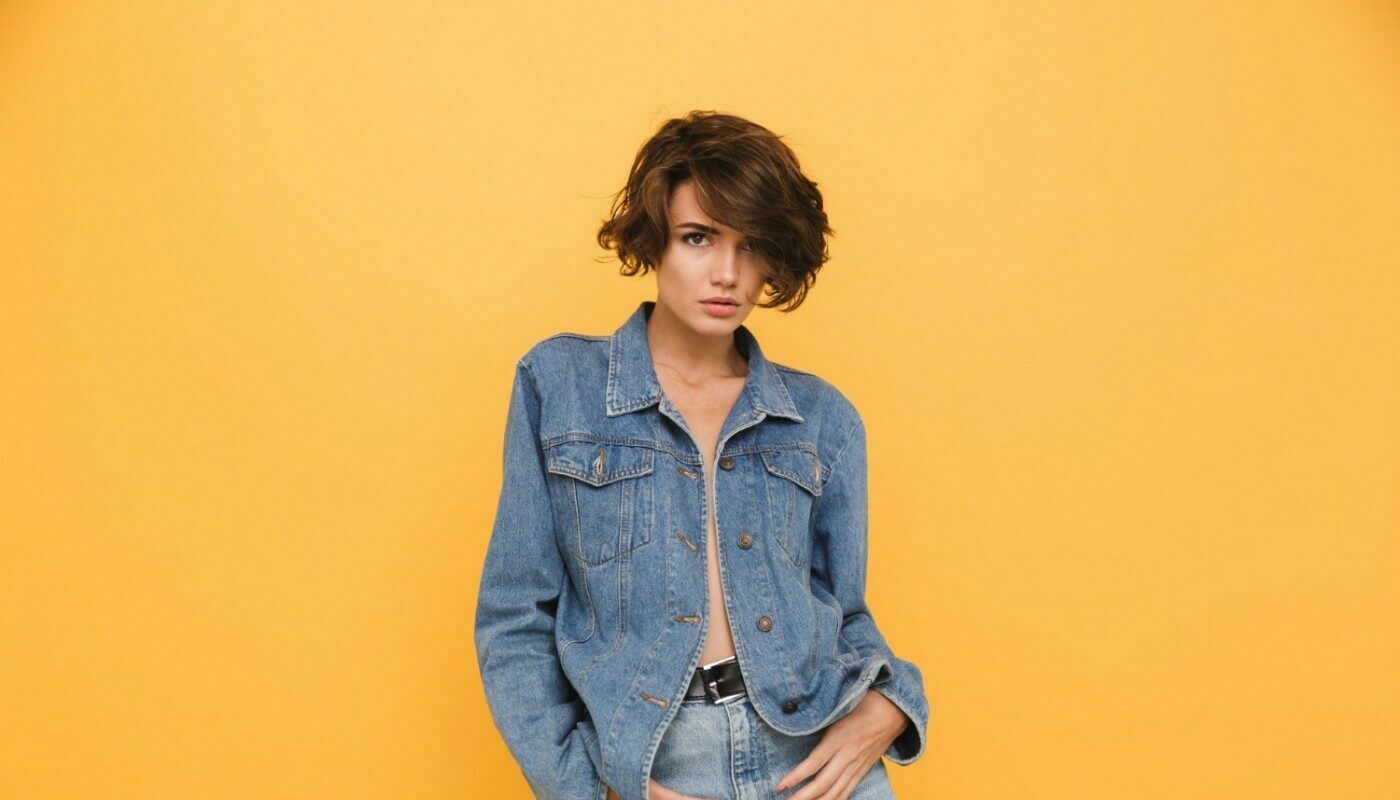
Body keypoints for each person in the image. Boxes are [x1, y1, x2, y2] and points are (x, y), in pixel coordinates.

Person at [475, 111, 930, 800]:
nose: (727, 274)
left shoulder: (823, 418)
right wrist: (588, 786)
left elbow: (844, 613)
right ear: (654, 240)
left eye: (753, 246)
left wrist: (892, 705)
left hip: (815, 758)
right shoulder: (559, 386)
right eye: (698, 238)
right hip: (656, 760)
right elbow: (513, 622)